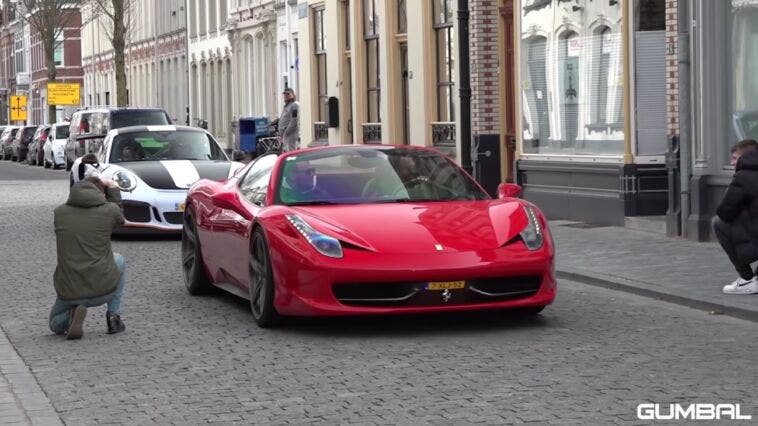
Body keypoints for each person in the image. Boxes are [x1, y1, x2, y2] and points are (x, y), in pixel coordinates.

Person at [50, 176, 127, 339]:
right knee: (119, 260)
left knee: (55, 324)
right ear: (101, 194)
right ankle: (113, 317)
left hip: (70, 291)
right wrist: (112, 188)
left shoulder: (59, 213)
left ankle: (70, 316)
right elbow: (121, 220)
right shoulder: (110, 211)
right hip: (103, 289)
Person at [713, 139, 758, 294]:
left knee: (719, 224)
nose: (732, 163)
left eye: (734, 158)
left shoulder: (743, 177)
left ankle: (746, 279)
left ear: (746, 157)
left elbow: (725, 212)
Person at [278, 88, 300, 152]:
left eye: (288, 94)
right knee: (287, 152)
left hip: (290, 134)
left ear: (293, 95)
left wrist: (286, 132)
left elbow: (294, 121)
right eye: (285, 94)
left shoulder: (294, 105)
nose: (286, 96)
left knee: (291, 152)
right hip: (285, 135)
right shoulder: (287, 106)